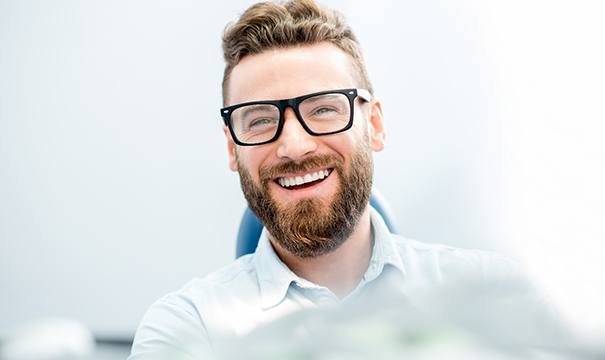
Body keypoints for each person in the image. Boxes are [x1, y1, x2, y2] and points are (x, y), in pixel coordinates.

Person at [128, 0, 525, 358]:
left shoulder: (490, 292)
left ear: (374, 124)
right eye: (261, 119)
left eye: (322, 110)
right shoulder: (188, 328)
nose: (295, 146)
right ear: (233, 149)